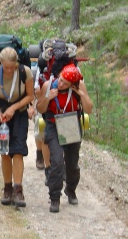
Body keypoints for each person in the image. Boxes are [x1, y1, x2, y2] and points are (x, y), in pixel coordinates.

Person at [36, 64, 93, 213]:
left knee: (72, 163)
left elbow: (89, 109)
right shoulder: (49, 85)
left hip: (71, 124)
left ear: (72, 84)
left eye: (65, 84)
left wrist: (81, 94)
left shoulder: (79, 86)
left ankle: (71, 189)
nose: (60, 84)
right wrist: (48, 98)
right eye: (60, 80)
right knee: (57, 161)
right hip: (54, 125)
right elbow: (40, 108)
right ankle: (54, 197)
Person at [0, 47, 34, 207]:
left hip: (19, 115)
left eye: (12, 67)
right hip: (0, 118)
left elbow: (30, 96)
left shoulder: (25, 72)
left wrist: (14, 107)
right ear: (1, 63)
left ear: (17, 63)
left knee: (18, 151)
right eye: (6, 67)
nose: (10, 70)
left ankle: (18, 191)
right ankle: (7, 188)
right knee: (4, 152)